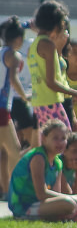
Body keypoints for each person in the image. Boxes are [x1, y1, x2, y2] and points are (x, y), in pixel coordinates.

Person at [7, 119, 77, 221]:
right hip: (25, 206)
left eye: (63, 138)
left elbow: (56, 193)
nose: (60, 142)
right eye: (55, 138)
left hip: (44, 204)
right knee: (69, 203)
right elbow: (41, 194)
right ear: (44, 138)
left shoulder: (58, 162)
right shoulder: (38, 157)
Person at [27, 1, 77, 140]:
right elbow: (51, 82)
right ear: (55, 24)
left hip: (39, 103)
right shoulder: (48, 45)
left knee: (50, 145)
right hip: (51, 103)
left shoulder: (35, 44)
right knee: (65, 143)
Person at [0, 16, 31, 198]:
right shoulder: (13, 54)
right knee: (14, 150)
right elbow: (13, 79)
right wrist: (25, 97)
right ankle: (15, 191)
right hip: (3, 108)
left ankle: (8, 190)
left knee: (8, 151)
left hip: (4, 107)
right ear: (19, 38)